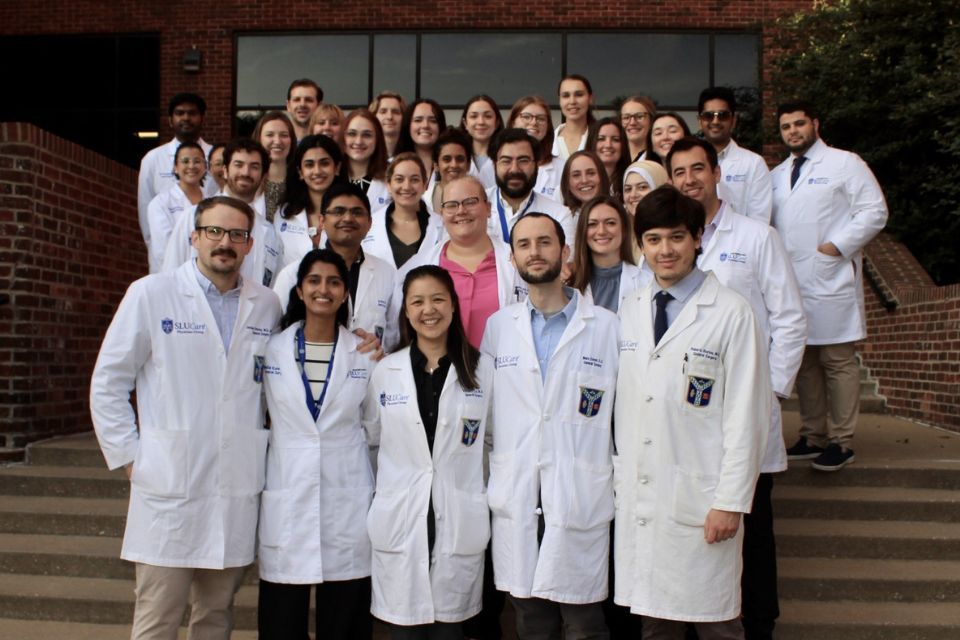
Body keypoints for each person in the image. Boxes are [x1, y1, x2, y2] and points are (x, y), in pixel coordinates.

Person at [90, 195, 282, 640]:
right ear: (194, 237)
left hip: (234, 485)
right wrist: (131, 457)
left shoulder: (266, 304)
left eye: (236, 234)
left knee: (215, 616)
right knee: (158, 618)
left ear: (250, 244)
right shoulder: (151, 293)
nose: (224, 242)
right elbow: (108, 382)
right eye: (214, 231)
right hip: (168, 483)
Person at [614, 186, 771, 639]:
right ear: (641, 245)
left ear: (698, 238)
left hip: (703, 502)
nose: (665, 250)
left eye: (677, 237)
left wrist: (730, 502)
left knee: (716, 624)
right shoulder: (631, 309)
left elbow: (747, 417)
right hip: (644, 497)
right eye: (653, 239)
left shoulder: (731, 313)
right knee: (655, 624)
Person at [668, 136, 807, 639]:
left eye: (697, 169)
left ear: (716, 173)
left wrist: (769, 393)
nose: (689, 180)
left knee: (754, 533)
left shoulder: (756, 237)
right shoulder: (668, 243)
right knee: (696, 530)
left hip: (746, 411)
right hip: (689, 418)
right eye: (679, 172)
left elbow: (790, 319)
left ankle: (760, 625)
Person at [482, 212, 619, 639]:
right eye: (523, 244)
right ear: (512, 258)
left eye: (544, 242)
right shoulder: (498, 327)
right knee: (531, 621)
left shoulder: (607, 327)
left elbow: (620, 416)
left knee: (584, 622)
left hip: (578, 491)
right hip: (519, 488)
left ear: (565, 252)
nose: (534, 252)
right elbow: (488, 415)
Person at [363, 265, 494, 639]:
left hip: (457, 519)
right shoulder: (386, 371)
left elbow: (490, 442)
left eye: (437, 299)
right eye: (417, 301)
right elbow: (373, 440)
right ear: (406, 311)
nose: (428, 310)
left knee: (449, 632)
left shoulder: (483, 370)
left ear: (453, 305)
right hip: (402, 520)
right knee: (403, 631)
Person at [257, 249, 375, 640]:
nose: (324, 289)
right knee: (281, 624)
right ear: (299, 290)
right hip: (288, 495)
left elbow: (375, 428)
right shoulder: (271, 351)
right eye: (314, 281)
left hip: (347, 500)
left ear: (345, 293)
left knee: (344, 624)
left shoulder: (365, 355)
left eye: (334, 282)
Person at [771, 101, 888, 471]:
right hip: (793, 282)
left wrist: (836, 246)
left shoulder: (844, 163)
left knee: (837, 361)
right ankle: (812, 435)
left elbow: (874, 211)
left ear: (815, 124)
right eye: (786, 126)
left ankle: (841, 440)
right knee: (804, 362)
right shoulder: (776, 175)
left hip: (829, 275)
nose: (793, 131)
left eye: (799, 123)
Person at [272, 182, 399, 351]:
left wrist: (380, 352)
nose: (348, 218)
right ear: (322, 221)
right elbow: (275, 333)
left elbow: (393, 337)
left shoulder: (386, 273)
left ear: (370, 223)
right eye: (338, 211)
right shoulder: (292, 274)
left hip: (371, 365)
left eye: (357, 212)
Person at [163, 138, 281, 288]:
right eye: (238, 164)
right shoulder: (192, 216)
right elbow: (170, 272)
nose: (245, 172)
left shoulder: (269, 232)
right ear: (225, 171)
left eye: (254, 167)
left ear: (264, 176)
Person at [137, 93, 217, 246]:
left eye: (192, 113)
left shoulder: (216, 156)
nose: (186, 118)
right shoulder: (153, 158)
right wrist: (154, 247)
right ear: (170, 120)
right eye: (180, 113)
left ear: (202, 119)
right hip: (165, 246)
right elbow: (145, 208)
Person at [486, 128, 575, 252]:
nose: (514, 169)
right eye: (506, 161)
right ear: (494, 164)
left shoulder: (559, 215)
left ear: (537, 165)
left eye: (523, 161)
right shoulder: (473, 206)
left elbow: (566, 262)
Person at [697, 87, 772, 224]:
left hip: (742, 238)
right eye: (708, 116)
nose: (715, 121)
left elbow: (759, 221)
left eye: (722, 115)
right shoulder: (691, 162)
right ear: (700, 121)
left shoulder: (754, 164)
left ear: (733, 120)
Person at [274, 134, 344, 270]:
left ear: (337, 168)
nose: (317, 171)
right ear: (300, 172)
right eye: (309, 165)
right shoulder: (284, 213)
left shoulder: (349, 212)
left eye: (324, 163)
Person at [365, 153, 444, 270]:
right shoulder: (369, 225)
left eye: (414, 180)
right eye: (399, 179)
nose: (406, 186)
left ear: (425, 185)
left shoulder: (442, 227)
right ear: (388, 184)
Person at [569, 195, 646, 314]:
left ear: (624, 229)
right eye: (592, 224)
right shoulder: (568, 283)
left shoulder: (646, 281)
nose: (601, 231)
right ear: (583, 231)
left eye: (610, 223)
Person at [146, 141, 207, 273]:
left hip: (206, 275)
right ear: (175, 167)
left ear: (205, 167)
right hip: (169, 275)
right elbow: (163, 250)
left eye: (197, 161)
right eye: (185, 161)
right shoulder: (160, 203)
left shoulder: (212, 202)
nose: (191, 166)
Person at [507, 95, 566, 200]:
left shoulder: (563, 168)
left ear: (548, 126)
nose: (534, 122)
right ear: (513, 122)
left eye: (541, 118)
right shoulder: (495, 165)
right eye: (526, 117)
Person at [341, 109, 392, 210]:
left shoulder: (392, 176)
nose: (358, 141)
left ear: (377, 140)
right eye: (352, 134)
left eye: (367, 135)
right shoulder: (332, 176)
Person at [252, 110, 297, 222]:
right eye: (270, 135)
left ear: (292, 140)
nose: (277, 141)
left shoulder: (301, 181)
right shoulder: (250, 180)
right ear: (259, 139)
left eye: (284, 135)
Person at [396, 98, 446, 189]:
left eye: (433, 121)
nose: (425, 125)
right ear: (408, 125)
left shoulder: (451, 165)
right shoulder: (392, 165)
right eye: (418, 120)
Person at [460, 94, 504, 189]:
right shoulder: (457, 156)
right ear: (465, 123)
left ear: (497, 123)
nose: (481, 122)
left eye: (488, 116)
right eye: (474, 116)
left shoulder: (506, 156)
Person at [426, 127, 473, 214]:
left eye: (460, 159)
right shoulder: (423, 201)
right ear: (436, 165)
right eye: (447, 159)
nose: (454, 165)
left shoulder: (482, 199)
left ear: (469, 165)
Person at [553, 74, 595, 161]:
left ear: (590, 98)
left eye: (579, 95)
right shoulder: (549, 141)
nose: (572, 101)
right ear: (559, 100)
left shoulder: (600, 139)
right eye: (566, 96)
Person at [560, 150, 611, 222]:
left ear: (602, 176)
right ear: (567, 183)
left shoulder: (618, 213)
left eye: (591, 173)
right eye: (576, 175)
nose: (584, 180)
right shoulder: (561, 219)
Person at [587, 118, 630, 199]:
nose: (608, 145)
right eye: (601, 139)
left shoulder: (632, 181)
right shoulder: (582, 182)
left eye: (615, 139)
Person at [370, 91, 407, 159]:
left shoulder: (411, 153)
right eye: (383, 112)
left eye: (395, 112)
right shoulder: (367, 152)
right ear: (374, 116)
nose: (389, 117)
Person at [620, 96, 657, 161]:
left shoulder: (659, 159)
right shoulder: (615, 160)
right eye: (626, 117)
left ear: (651, 121)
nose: (632, 123)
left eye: (639, 116)